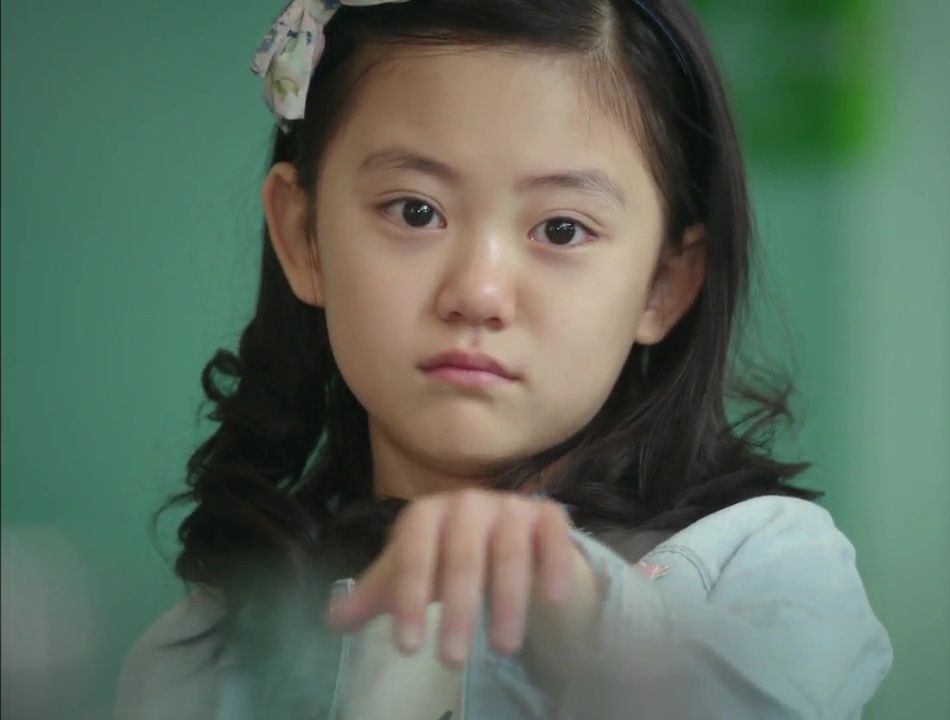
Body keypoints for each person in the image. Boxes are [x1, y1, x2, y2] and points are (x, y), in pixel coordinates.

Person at [114, 1, 892, 718]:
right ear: (302, 237)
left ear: (664, 284)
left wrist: (576, 610)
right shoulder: (198, 658)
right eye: (415, 211)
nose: (478, 293)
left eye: (561, 229)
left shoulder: (767, 567)